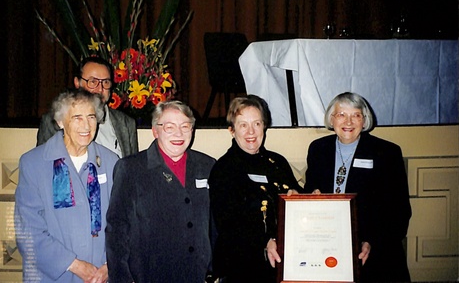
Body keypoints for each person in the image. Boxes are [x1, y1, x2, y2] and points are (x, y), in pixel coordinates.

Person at [304, 92, 411, 282]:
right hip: (328, 245)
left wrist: (370, 241)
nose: (349, 121)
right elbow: (310, 190)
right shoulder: (318, 149)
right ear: (331, 119)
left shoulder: (386, 153)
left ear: (364, 120)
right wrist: (311, 196)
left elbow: (399, 211)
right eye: (341, 114)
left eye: (356, 115)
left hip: (374, 249)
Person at [105, 100, 216, 283]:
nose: (178, 133)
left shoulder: (207, 165)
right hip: (148, 275)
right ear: (155, 131)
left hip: (196, 275)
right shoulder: (131, 168)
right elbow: (117, 229)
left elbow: (214, 224)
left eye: (185, 126)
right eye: (169, 127)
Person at [15, 89, 119, 283]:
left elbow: (120, 222)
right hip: (54, 275)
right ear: (60, 122)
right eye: (77, 118)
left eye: (91, 117)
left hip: (101, 276)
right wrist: (76, 266)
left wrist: (109, 265)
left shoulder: (110, 161)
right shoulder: (34, 163)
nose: (86, 126)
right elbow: (28, 231)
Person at [208, 95, 302, 283]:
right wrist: (265, 242)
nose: (251, 131)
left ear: (264, 127)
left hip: (286, 261)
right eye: (243, 125)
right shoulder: (224, 169)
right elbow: (228, 224)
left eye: (257, 124)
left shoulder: (277, 163)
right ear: (232, 130)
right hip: (243, 267)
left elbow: (296, 196)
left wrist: (300, 197)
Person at [37, 56, 138, 158]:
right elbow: (43, 164)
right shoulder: (55, 120)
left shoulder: (126, 123)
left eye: (106, 82)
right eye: (93, 82)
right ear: (77, 82)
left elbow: (131, 168)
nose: (100, 89)